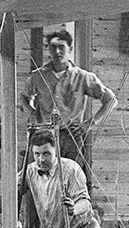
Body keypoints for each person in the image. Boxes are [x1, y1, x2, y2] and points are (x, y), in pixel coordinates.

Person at [22, 28, 116, 178]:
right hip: (43, 137)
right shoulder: (38, 76)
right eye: (53, 47)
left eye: (62, 47)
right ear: (48, 49)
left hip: (70, 138)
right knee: (35, 179)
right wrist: (33, 114)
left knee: (70, 179)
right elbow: (25, 97)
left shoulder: (84, 77)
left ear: (70, 49)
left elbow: (110, 100)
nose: (57, 52)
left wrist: (89, 123)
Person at [18, 127, 102, 228]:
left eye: (46, 154)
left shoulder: (70, 170)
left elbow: (85, 203)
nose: (41, 159)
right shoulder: (30, 171)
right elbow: (10, 195)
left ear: (56, 151)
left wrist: (73, 209)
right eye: (36, 154)